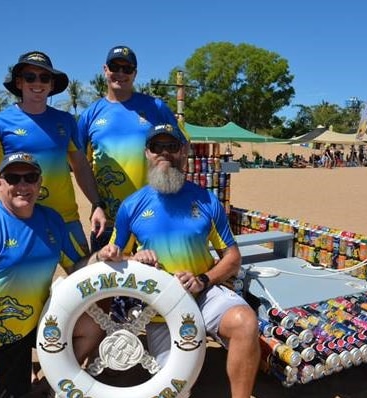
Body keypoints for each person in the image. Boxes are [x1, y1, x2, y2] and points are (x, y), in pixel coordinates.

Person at [102, 124, 260, 398]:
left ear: (184, 151)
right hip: (159, 308)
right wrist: (134, 259)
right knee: (175, 390)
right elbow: (112, 259)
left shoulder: (207, 200)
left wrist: (203, 280)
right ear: (147, 153)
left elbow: (232, 257)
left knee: (245, 322)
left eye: (172, 147)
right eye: (157, 147)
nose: (164, 153)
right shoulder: (131, 206)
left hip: (203, 294)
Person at [0, 152, 111, 398]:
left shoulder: (51, 220)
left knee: (95, 322)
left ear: (39, 182)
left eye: (30, 177)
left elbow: (76, 266)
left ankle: (50, 380)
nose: (23, 185)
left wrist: (101, 257)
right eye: (13, 178)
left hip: (34, 326)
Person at [0, 50, 106, 253]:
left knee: (82, 278)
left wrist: (97, 204)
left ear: (52, 85)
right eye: (30, 77)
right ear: (19, 82)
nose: (38, 83)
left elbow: (80, 166)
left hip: (65, 219)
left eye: (44, 77)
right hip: (18, 221)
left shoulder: (66, 121)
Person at [77, 45, 179, 251]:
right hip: (107, 220)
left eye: (127, 69)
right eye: (115, 67)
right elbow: (79, 164)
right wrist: (96, 204)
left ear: (135, 73)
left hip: (153, 215)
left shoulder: (156, 107)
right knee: (108, 281)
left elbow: (181, 149)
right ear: (105, 69)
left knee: (154, 279)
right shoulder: (90, 115)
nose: (121, 73)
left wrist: (172, 193)